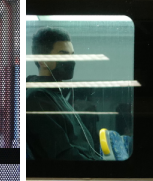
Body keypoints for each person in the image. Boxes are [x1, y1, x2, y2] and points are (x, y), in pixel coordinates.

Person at [26, 27, 102, 160]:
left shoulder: (56, 95)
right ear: (42, 61)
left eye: (72, 55)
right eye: (64, 55)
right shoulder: (38, 99)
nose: (71, 61)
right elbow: (64, 155)